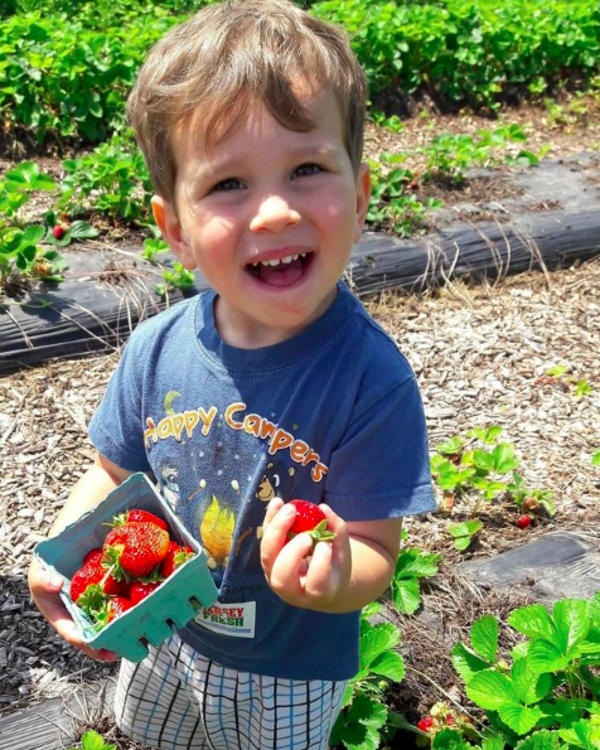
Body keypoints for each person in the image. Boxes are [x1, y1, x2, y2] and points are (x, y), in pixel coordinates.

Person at [28, 0, 437, 747]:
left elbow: (379, 550)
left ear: (361, 194)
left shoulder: (371, 382)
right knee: (155, 737)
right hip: (166, 636)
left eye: (307, 168)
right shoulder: (155, 350)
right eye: (228, 185)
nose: (276, 211)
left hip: (290, 664)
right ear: (176, 230)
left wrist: (337, 574)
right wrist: (66, 550)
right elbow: (111, 472)